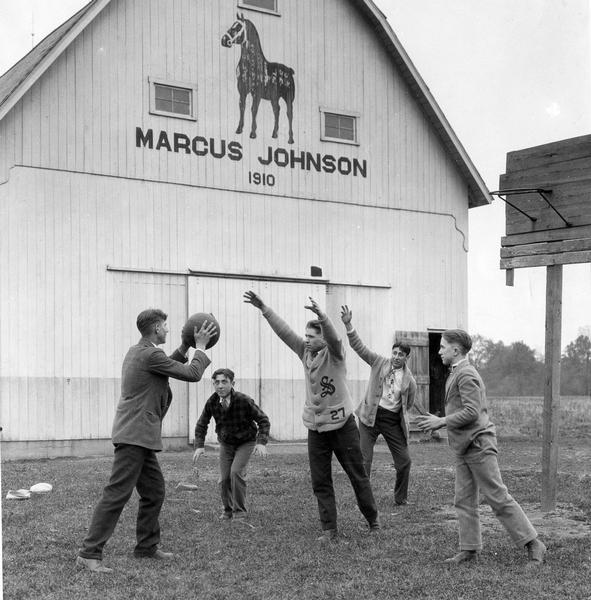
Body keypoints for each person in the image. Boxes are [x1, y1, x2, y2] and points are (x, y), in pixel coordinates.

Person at [76, 309, 217, 573]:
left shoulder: (140, 351)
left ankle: (146, 547)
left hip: (139, 435)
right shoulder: (151, 354)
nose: (167, 329)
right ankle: (89, 553)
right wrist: (199, 346)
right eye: (164, 325)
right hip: (135, 436)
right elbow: (191, 373)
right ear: (155, 329)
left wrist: (185, 345)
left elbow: (166, 365)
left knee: (154, 492)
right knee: (116, 493)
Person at [243, 291, 379, 541]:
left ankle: (373, 520)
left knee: (357, 475)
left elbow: (335, 339)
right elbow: (284, 333)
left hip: (342, 425)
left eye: (311, 336)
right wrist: (265, 309)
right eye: (305, 335)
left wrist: (323, 317)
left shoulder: (335, 354)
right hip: (316, 427)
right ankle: (329, 530)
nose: (305, 340)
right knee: (320, 480)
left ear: (322, 339)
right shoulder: (304, 352)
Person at [416, 329, 547, 566]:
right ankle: (470, 549)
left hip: (478, 445)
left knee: (497, 496)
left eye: (443, 346)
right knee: (464, 499)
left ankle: (534, 543)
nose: (439, 350)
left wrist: (441, 422)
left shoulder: (466, 374)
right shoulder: (456, 373)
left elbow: (472, 411)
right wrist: (440, 421)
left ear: (456, 350)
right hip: (464, 447)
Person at [340, 305, 416, 505]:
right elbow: (359, 347)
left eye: (401, 354)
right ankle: (363, 500)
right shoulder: (378, 362)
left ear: (407, 357)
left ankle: (400, 499)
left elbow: (408, 404)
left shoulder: (410, 380)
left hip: (392, 421)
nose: (397, 356)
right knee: (364, 461)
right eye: (395, 352)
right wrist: (349, 325)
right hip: (369, 418)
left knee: (404, 462)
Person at [193, 368, 270, 520]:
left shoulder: (244, 400)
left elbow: (263, 420)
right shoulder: (212, 401)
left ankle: (240, 511)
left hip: (245, 442)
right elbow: (202, 423)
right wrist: (199, 445)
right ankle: (228, 510)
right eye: (216, 382)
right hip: (226, 443)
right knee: (224, 478)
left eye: (224, 382)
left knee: (235, 472)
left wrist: (261, 442)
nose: (220, 386)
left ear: (232, 383)